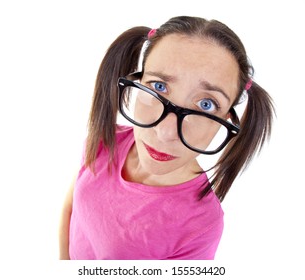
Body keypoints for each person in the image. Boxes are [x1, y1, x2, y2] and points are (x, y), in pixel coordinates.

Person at [59, 16, 275, 260]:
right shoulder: (103, 140)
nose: (165, 132)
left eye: (206, 104)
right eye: (159, 86)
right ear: (138, 81)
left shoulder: (200, 225)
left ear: (225, 119)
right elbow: (71, 208)